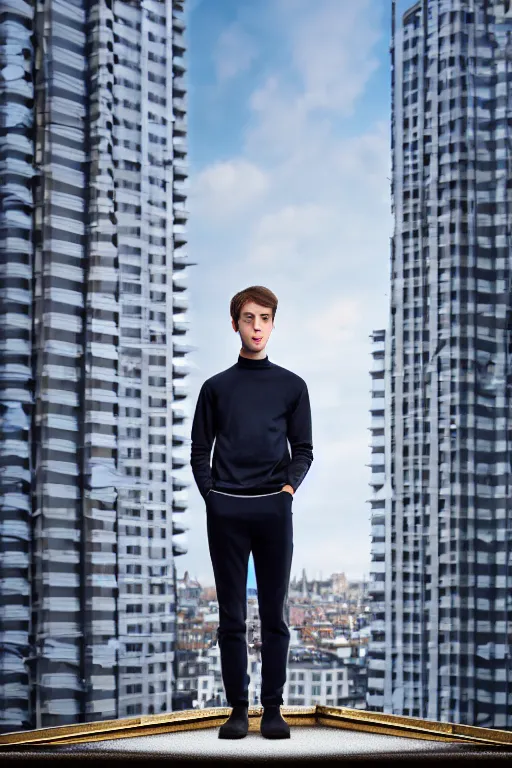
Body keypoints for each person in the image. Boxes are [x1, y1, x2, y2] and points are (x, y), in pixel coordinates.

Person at [190, 286, 313, 739]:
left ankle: (274, 709)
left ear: (274, 323)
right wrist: (212, 496)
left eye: (264, 318)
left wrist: (287, 490)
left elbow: (303, 449)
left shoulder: (292, 386)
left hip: (274, 512)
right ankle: (238, 710)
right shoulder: (215, 388)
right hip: (226, 513)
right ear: (235, 323)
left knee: (275, 615)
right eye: (248, 318)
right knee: (232, 619)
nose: (256, 326)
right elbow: (199, 450)